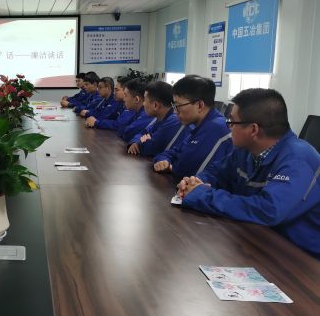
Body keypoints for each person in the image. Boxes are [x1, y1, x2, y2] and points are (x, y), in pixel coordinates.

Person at [177, 88, 320, 258]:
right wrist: (194, 182)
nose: (229, 127)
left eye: (232, 121)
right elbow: (216, 172)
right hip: (258, 239)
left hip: (300, 257)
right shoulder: (245, 150)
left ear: (253, 130)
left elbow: (268, 210)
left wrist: (202, 195)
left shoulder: (299, 159)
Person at [153, 75, 232, 180]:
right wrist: (164, 160)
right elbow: (173, 152)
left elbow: (185, 170)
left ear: (200, 105)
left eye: (178, 106)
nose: (175, 112)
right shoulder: (196, 125)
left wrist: (172, 166)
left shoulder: (216, 128)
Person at [127, 81, 188, 156]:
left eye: (145, 100)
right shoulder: (159, 118)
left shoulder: (174, 120)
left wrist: (140, 143)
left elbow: (149, 148)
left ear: (155, 105)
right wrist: (135, 141)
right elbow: (142, 133)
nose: (143, 104)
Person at [117, 78, 155, 142]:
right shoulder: (137, 112)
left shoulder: (146, 114)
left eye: (126, 95)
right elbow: (120, 129)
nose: (124, 99)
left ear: (136, 99)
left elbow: (127, 134)